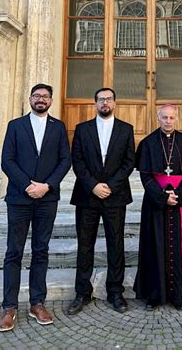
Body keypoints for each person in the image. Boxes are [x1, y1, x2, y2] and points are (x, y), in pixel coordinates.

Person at [0, 83, 71, 332]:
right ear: (30, 98)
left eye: (45, 96)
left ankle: (37, 303)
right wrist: (28, 185)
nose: (41, 99)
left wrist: (47, 186)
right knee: (14, 252)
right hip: (20, 198)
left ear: (51, 101)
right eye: (37, 95)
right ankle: (9, 306)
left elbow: (65, 161)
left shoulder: (58, 127)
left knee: (41, 250)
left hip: (46, 199)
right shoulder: (15, 126)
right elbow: (7, 160)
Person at [68, 88, 135, 314]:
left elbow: (129, 162)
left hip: (115, 196)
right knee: (85, 245)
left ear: (115, 102)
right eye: (101, 99)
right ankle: (82, 293)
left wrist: (110, 186)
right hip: (87, 195)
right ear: (95, 103)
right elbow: (77, 161)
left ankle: (115, 292)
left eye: (108, 99)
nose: (104, 103)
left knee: (116, 245)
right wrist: (93, 185)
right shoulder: (82, 129)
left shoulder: (126, 129)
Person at [133, 104, 182, 310]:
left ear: (177, 118)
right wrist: (162, 197)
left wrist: (178, 195)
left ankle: (180, 295)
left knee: (180, 247)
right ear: (157, 118)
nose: (168, 121)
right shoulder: (148, 143)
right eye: (164, 117)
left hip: (181, 202)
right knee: (154, 245)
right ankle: (154, 295)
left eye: (171, 117)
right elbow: (145, 176)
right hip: (155, 202)